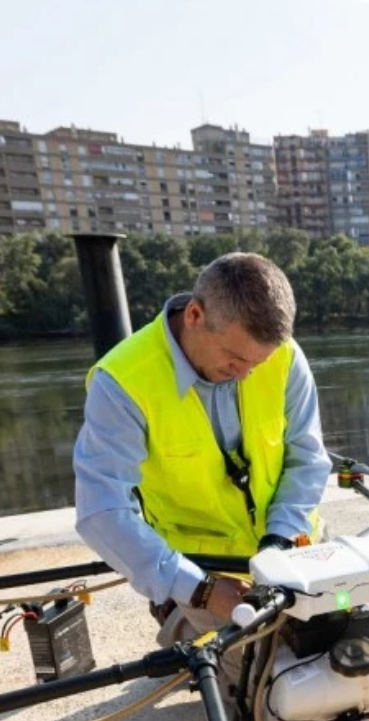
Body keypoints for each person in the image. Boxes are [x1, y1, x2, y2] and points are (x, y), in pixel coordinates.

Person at [73, 252, 330, 676]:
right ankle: (178, 618)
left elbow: (307, 459)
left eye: (257, 363)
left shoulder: (284, 356)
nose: (245, 374)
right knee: (270, 687)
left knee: (352, 653)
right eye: (234, 358)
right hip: (202, 568)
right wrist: (201, 589)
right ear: (194, 314)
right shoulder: (122, 383)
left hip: (289, 546)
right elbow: (101, 511)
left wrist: (278, 546)